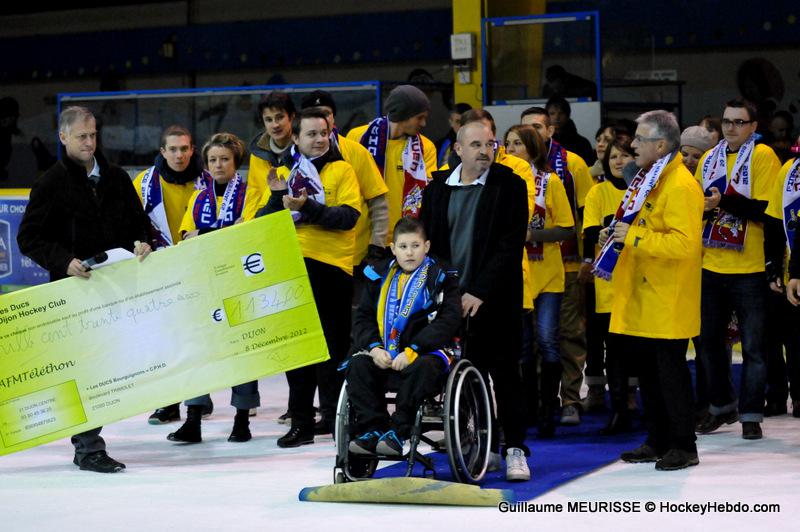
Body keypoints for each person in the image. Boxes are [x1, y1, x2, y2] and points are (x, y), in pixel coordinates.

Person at [17, 106, 152, 473]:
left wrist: (142, 242)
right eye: (81, 136)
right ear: (63, 138)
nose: (89, 142)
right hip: (74, 293)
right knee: (85, 369)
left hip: (117, 289)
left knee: (107, 366)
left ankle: (90, 442)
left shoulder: (116, 177)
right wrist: (64, 261)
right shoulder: (50, 183)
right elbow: (29, 238)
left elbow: (139, 223)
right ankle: (88, 447)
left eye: (93, 135)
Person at [420, 120, 531, 482]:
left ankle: (515, 449)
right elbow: (430, 245)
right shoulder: (437, 189)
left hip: (497, 298)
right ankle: (484, 444)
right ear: (458, 149)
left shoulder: (509, 185)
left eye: (490, 144)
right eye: (477, 145)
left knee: (506, 374)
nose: (485, 151)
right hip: (452, 300)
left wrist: (480, 291)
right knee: (470, 374)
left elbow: (509, 246)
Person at [599, 109, 703, 471]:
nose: (633, 145)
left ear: (660, 145)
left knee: (670, 374)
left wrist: (635, 236)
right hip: (644, 294)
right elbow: (637, 222)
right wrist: (616, 233)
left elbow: (685, 245)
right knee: (648, 374)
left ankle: (684, 445)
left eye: (640, 139)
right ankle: (658, 438)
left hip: (667, 297)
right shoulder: (650, 177)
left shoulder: (680, 185)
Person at [258, 108, 362, 447]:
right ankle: (301, 422)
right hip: (291, 267)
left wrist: (308, 208)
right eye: (311, 134)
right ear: (296, 138)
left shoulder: (342, 169)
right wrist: (278, 196)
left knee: (334, 349)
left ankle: (335, 418)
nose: (319, 139)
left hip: (332, 268)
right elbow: (263, 221)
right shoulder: (282, 173)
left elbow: (348, 217)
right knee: (297, 350)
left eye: (324, 133)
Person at [694, 99, 781, 440]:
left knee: (754, 346)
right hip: (711, 263)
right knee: (708, 342)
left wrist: (723, 202)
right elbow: (696, 204)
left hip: (750, 266)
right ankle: (721, 406)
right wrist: (704, 208)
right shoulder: (709, 158)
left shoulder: (763, 156)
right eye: (727, 121)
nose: (731, 128)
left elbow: (766, 209)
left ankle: (751, 414)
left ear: (753, 126)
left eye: (739, 122)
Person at [167, 132, 260, 444]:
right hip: (203, 284)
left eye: (224, 159)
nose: (218, 165)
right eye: (212, 160)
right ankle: (193, 419)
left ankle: (242, 420)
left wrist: (205, 233)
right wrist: (222, 232)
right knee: (198, 349)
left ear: (236, 162)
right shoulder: (198, 197)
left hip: (239, 282)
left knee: (243, 350)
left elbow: (245, 236)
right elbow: (185, 238)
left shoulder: (250, 194)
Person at [346, 217, 461, 456]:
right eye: (403, 246)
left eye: (415, 246)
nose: (409, 252)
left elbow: (448, 321)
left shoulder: (441, 276)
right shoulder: (377, 275)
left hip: (426, 352)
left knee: (424, 367)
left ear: (426, 246)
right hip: (385, 353)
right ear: (393, 248)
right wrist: (374, 348)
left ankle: (398, 432)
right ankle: (372, 429)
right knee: (358, 365)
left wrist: (413, 351)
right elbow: (362, 318)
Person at [520, 106, 595, 426]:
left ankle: (571, 400)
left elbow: (587, 214)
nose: (531, 133)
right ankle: (539, 401)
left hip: (566, 263)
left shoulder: (572, 164)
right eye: (525, 129)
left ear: (550, 130)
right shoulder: (511, 169)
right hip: (525, 268)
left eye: (537, 127)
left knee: (568, 336)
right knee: (533, 342)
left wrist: (588, 258)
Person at [132, 125, 208, 426]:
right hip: (161, 270)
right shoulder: (143, 183)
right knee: (166, 339)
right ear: (162, 151)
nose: (179, 155)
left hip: (200, 267)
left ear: (193, 150)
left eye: (184, 149)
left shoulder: (208, 179)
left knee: (200, 338)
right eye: (173, 149)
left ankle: (199, 397)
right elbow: (131, 222)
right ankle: (169, 402)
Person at [505, 124, 575, 438]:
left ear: (533, 148)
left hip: (547, 273)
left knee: (547, 340)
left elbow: (567, 229)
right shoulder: (504, 182)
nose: (510, 149)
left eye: (517, 144)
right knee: (521, 347)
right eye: (507, 144)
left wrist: (532, 234)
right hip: (518, 274)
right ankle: (528, 408)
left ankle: (549, 407)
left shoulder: (551, 181)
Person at [579, 140, 636, 432]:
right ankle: (619, 410)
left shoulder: (644, 190)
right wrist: (600, 236)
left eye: (625, 155)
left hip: (642, 282)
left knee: (641, 350)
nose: (618, 161)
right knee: (613, 350)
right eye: (613, 156)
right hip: (609, 284)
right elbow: (589, 232)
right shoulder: (598, 192)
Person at [300, 90, 389, 268]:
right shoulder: (291, 158)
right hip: (302, 257)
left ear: (334, 117)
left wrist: (377, 247)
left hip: (353, 258)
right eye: (314, 114)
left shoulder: (356, 152)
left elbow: (378, 202)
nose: (321, 119)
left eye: (326, 113)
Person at [346, 84, 437, 239]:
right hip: (362, 238)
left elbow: (428, 197)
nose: (423, 124)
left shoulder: (425, 147)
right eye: (419, 117)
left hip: (404, 239)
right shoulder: (358, 138)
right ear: (403, 115)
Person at [763, 138, 800, 417]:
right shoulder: (789, 170)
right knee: (777, 335)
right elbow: (774, 220)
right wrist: (773, 266)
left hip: (796, 272)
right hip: (788, 269)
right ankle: (779, 394)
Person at [244, 91, 297, 222]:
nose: (275, 125)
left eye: (280, 117)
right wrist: (248, 220)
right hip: (266, 222)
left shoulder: (304, 149)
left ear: (292, 117)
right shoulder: (257, 155)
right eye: (268, 120)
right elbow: (253, 195)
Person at [545, 95, 596, 165]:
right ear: (546, 117)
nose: (556, 117)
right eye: (552, 113)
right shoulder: (542, 142)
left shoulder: (582, 143)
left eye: (561, 113)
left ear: (568, 116)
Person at [436, 102, 472, 167]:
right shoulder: (440, 145)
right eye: (458, 121)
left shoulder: (481, 144)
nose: (461, 125)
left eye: (465, 122)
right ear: (451, 122)